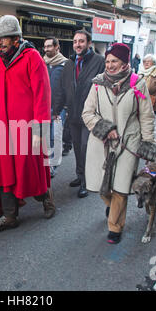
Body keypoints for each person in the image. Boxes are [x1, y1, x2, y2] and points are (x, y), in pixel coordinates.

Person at [0, 15, 55, 233]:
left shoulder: (32, 57)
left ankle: (46, 199)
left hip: (26, 127)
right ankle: (9, 215)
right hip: (2, 128)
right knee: (5, 171)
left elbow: (42, 95)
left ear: (16, 39)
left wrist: (39, 129)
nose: (0, 43)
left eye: (4, 39)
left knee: (29, 169)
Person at [82, 43, 156, 244]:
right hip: (102, 143)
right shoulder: (97, 84)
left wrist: (147, 142)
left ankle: (115, 226)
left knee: (121, 187)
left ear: (124, 63)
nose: (110, 65)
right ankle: (112, 205)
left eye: (114, 61)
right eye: (107, 61)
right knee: (102, 187)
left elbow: (147, 116)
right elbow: (87, 113)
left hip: (129, 143)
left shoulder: (137, 84)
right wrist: (106, 128)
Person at [53, 30, 105, 199]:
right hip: (73, 115)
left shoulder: (99, 62)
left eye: (81, 41)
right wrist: (55, 111)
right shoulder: (69, 64)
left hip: (91, 115)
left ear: (89, 43)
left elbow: (105, 89)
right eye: (75, 41)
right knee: (76, 147)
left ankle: (86, 181)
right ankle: (80, 175)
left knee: (85, 148)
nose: (77, 44)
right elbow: (62, 89)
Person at [43, 36, 68, 178]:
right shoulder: (42, 63)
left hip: (59, 109)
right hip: (43, 108)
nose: (46, 49)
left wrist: (63, 108)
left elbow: (67, 88)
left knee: (55, 137)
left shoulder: (65, 64)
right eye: (45, 47)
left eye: (49, 46)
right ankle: (46, 163)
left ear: (57, 47)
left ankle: (53, 166)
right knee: (45, 137)